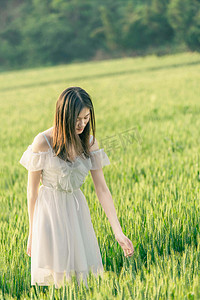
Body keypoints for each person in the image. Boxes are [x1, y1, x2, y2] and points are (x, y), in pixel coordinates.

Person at [19, 86, 134, 289]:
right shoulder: (43, 142)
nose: (82, 124)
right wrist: (32, 232)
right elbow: (32, 192)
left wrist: (118, 231)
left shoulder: (90, 143)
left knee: (82, 280)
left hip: (77, 211)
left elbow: (102, 189)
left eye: (86, 117)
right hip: (49, 214)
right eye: (77, 119)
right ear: (63, 115)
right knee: (60, 280)